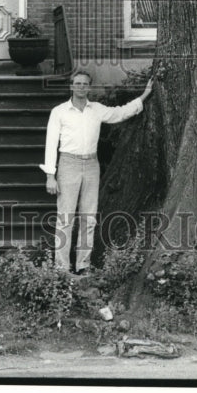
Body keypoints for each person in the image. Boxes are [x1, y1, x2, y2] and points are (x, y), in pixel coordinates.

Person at [40, 69, 154, 275]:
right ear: (71, 86)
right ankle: (61, 268)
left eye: (85, 84)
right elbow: (50, 144)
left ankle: (83, 265)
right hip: (68, 164)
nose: (81, 87)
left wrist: (144, 95)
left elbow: (120, 112)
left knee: (88, 217)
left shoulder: (97, 109)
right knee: (65, 218)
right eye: (78, 83)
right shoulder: (59, 112)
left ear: (89, 87)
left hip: (92, 165)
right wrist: (50, 174)